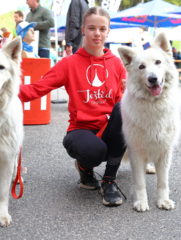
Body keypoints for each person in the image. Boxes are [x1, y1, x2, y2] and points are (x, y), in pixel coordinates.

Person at [19, 7, 126, 207]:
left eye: (102, 29)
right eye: (92, 28)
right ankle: (85, 170)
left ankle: (109, 181)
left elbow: (123, 99)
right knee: (95, 151)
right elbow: (39, 88)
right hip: (81, 130)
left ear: (108, 31)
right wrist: (4, 93)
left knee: (125, 110)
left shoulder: (117, 64)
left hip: (109, 127)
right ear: (83, 29)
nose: (97, 33)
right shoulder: (69, 63)